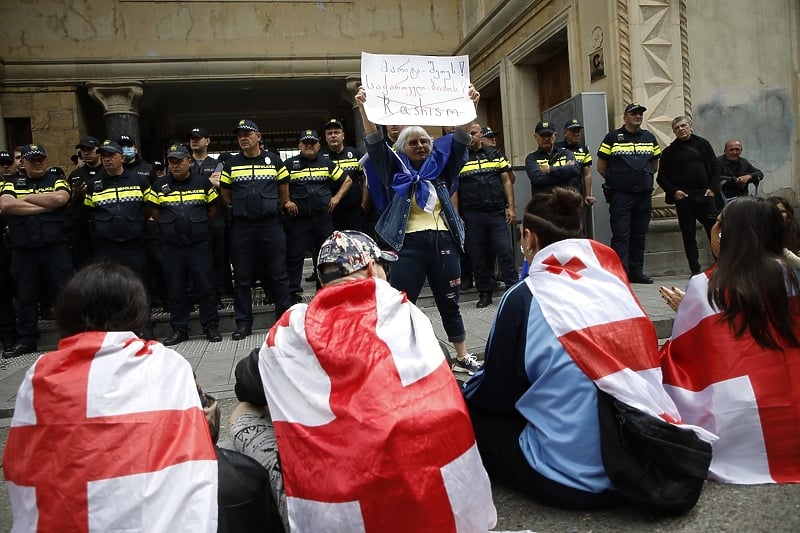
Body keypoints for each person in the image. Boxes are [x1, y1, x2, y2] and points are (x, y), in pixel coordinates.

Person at [230, 230, 497, 532]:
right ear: (373, 269)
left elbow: (245, 382)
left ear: (321, 283)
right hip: (440, 507)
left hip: (343, 513)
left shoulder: (292, 329)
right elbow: (444, 362)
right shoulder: (408, 315)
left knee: (245, 414)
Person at [463, 187, 702, 509]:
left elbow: (498, 393)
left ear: (529, 238)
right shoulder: (616, 283)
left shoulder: (524, 296)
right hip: (638, 455)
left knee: (471, 411)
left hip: (570, 478)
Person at [3, 261, 218, 531]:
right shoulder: (167, 364)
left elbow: (24, 463)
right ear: (138, 310)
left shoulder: (40, 375)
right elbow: (202, 441)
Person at [660, 196, 800, 483]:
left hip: (737, 422)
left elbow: (680, 360)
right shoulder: (789, 277)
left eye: (718, 223)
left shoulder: (705, 286)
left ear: (725, 234)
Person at [356, 84, 484, 374]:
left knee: (450, 302)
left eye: (425, 141)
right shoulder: (395, 171)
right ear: (402, 147)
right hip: (407, 247)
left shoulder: (441, 170)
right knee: (400, 305)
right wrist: (365, 108)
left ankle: (462, 356)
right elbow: (375, 142)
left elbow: (462, 139)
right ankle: (396, 358)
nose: (421, 146)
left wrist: (469, 107)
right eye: (413, 142)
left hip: (443, 244)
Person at [219, 119, 292, 340]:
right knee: (242, 277)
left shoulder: (275, 161)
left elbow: (284, 193)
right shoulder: (231, 164)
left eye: (247, 133)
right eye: (240, 135)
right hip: (242, 227)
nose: (243, 137)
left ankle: (284, 323)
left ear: (258, 136)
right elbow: (225, 194)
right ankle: (243, 324)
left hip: (270, 224)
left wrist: (269, 207)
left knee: (279, 274)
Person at [0, 144, 73, 358]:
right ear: (22, 162)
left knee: (64, 294)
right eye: (32, 160)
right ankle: (26, 340)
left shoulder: (56, 180)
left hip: (55, 248)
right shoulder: (11, 183)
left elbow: (60, 199)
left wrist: (22, 200)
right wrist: (45, 206)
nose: (38, 163)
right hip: (24, 251)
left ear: (46, 160)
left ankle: (69, 337)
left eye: (41, 158)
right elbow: (6, 205)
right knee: (25, 296)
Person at [149, 143, 223, 345]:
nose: (175, 165)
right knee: (176, 288)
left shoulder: (203, 183)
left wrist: (196, 226)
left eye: (179, 161)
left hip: (199, 245)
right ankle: (180, 329)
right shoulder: (159, 185)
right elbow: (155, 213)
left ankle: (211, 326)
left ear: (188, 161)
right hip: (172, 246)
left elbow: (213, 209)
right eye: (171, 162)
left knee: (206, 286)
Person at [597, 103, 661, 284]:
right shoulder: (612, 138)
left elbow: (654, 164)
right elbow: (601, 167)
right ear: (625, 117)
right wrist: (620, 180)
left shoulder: (649, 137)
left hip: (643, 195)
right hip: (621, 196)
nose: (638, 116)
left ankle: (636, 271)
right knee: (621, 235)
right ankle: (620, 272)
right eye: (634, 113)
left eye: (640, 113)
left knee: (639, 235)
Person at [283, 129, 351, 300]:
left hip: (323, 217)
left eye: (312, 143)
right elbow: (280, 184)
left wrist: (336, 198)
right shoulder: (290, 164)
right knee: (295, 255)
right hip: (299, 219)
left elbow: (347, 180)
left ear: (319, 145)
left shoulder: (326, 163)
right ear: (299, 145)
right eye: (305, 143)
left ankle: (325, 290)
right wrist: (286, 201)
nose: (309, 146)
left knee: (325, 255)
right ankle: (293, 292)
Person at [458, 121, 517, 308]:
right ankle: (484, 293)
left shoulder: (495, 154)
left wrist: (511, 207)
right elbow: (454, 191)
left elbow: (507, 181)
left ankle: (512, 289)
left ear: (481, 134)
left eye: (474, 133)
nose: (471, 136)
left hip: (496, 212)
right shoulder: (459, 158)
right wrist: (458, 216)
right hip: (473, 215)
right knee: (478, 255)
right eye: (467, 133)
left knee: (505, 250)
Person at [656, 116, 720, 275]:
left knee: (714, 231)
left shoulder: (703, 145)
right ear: (673, 131)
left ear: (690, 126)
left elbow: (716, 168)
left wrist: (712, 188)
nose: (681, 129)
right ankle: (695, 270)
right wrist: (675, 192)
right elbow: (661, 178)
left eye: (683, 125)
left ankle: (720, 266)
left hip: (705, 195)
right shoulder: (669, 152)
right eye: (677, 128)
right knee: (688, 234)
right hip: (684, 199)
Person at [322, 118, 366, 232]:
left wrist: (364, 203)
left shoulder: (355, 154)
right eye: (329, 133)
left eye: (336, 132)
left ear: (343, 135)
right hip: (330, 211)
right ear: (326, 137)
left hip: (354, 209)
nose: (333, 136)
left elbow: (365, 179)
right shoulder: (320, 157)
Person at [67, 135, 103, 269]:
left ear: (98, 150)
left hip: (101, 226)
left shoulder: (106, 172)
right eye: (83, 150)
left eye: (90, 149)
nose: (86, 153)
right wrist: (76, 195)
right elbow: (69, 207)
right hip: (81, 228)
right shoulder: (76, 174)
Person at [525, 120, 582, 197]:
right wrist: (566, 175)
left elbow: (574, 170)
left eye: (549, 135)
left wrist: (549, 170)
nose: (546, 138)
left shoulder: (566, 153)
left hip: (567, 203)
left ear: (555, 135)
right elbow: (537, 179)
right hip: (543, 204)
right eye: (542, 135)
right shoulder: (531, 158)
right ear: (536, 137)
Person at [556, 119, 595, 207]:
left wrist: (588, 195)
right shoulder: (557, 148)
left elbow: (587, 174)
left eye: (578, 131)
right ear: (565, 133)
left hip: (577, 193)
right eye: (573, 131)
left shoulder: (583, 149)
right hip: (560, 193)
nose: (576, 134)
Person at [717, 139, 763, 204]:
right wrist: (736, 180)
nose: (734, 152)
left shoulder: (744, 162)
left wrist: (749, 177)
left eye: (737, 149)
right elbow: (715, 178)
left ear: (741, 151)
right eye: (731, 150)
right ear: (725, 151)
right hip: (723, 202)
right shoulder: (717, 162)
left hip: (742, 201)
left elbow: (759, 173)